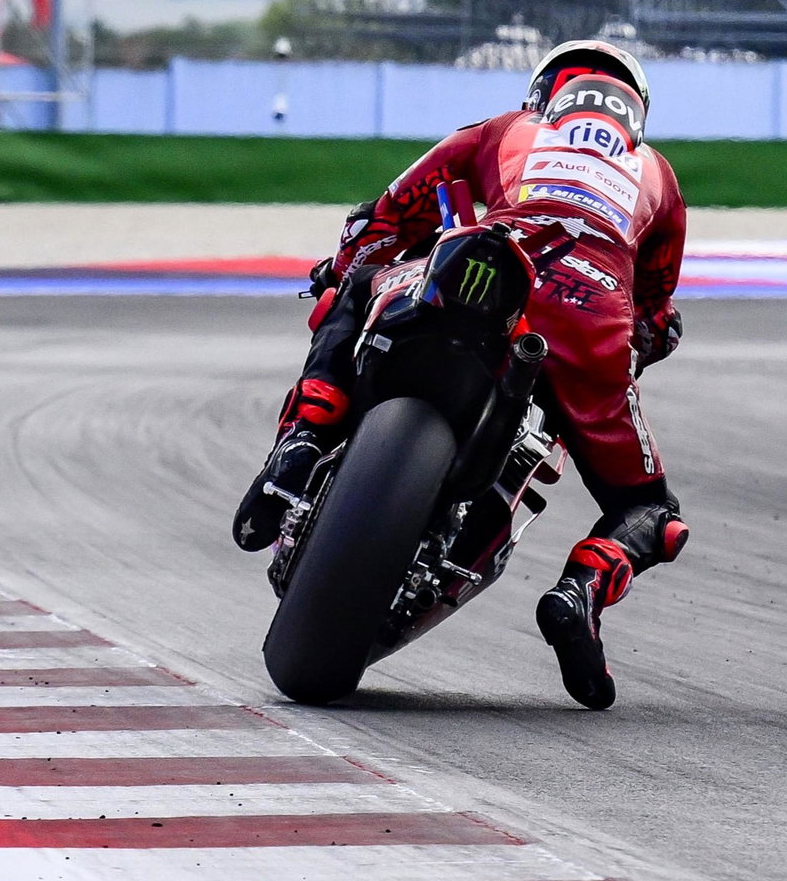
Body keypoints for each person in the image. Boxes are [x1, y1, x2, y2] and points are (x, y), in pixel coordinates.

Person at [233, 40, 690, 711]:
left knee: (356, 288)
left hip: (488, 269)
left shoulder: (505, 130)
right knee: (651, 512)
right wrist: (636, 349)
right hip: (591, 324)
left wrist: (344, 265)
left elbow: (386, 214)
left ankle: (299, 442)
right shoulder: (660, 178)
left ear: (542, 96)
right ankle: (579, 593)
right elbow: (655, 316)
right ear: (638, 116)